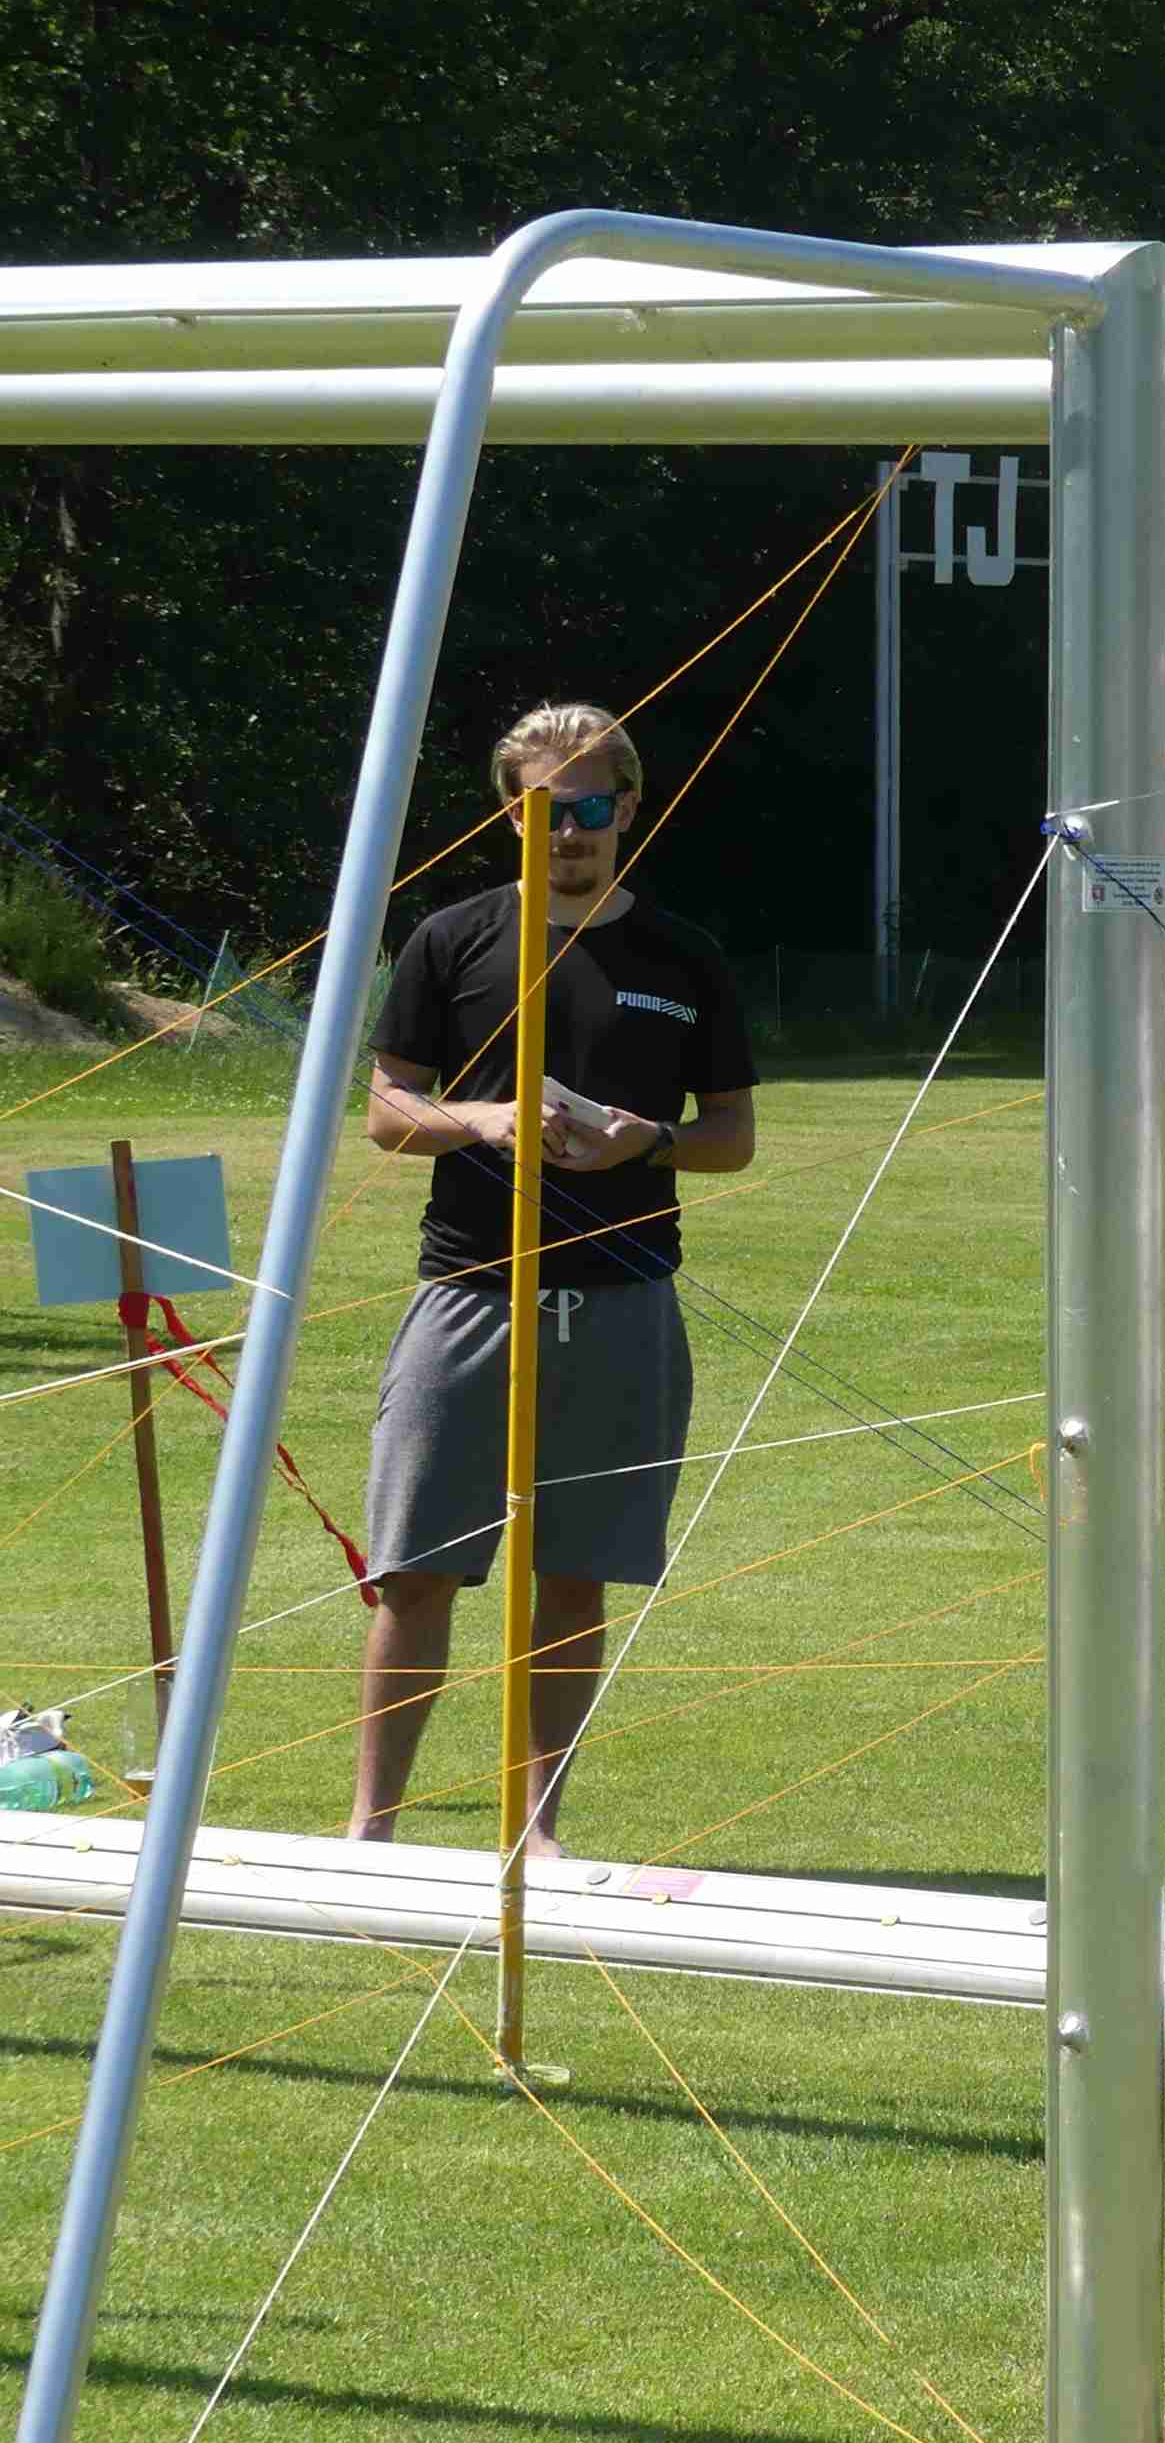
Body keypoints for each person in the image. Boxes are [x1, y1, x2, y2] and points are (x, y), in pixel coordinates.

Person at [353, 703, 756, 1858]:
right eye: (540, 809)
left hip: (624, 1304)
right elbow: (386, 1111)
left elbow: (730, 1137)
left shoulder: (683, 956)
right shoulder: (451, 941)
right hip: (471, 1293)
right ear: (510, 814)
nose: (566, 831)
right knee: (415, 1572)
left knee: (576, 1578)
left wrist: (646, 1141)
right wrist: (481, 1120)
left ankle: (536, 1834)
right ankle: (371, 1829)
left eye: (585, 807)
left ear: (627, 806)